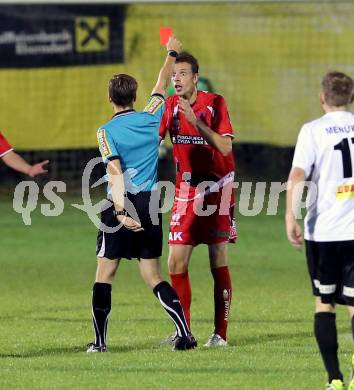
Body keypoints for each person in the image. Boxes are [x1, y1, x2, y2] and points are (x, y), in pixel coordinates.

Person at [87, 36, 197, 353]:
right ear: (135, 96)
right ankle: (185, 333)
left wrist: (120, 212)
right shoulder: (151, 115)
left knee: (104, 274)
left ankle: (100, 342)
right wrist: (172, 52)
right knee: (152, 274)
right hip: (149, 203)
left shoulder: (106, 131)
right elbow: (162, 82)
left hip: (120, 205)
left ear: (111, 98)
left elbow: (115, 172)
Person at [159, 52, 236, 347]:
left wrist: (197, 123)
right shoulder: (169, 107)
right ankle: (184, 331)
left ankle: (220, 334)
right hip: (186, 191)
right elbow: (153, 138)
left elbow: (226, 147)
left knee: (217, 258)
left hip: (218, 188)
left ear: (194, 76)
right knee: (176, 262)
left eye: (182, 74)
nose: (176, 79)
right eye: (173, 75)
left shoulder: (215, 102)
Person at [286, 71, 354, 390]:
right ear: (351, 98)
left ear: (322, 97)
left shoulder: (313, 130)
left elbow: (298, 174)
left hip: (325, 233)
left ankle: (335, 378)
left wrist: (290, 215)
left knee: (324, 305)